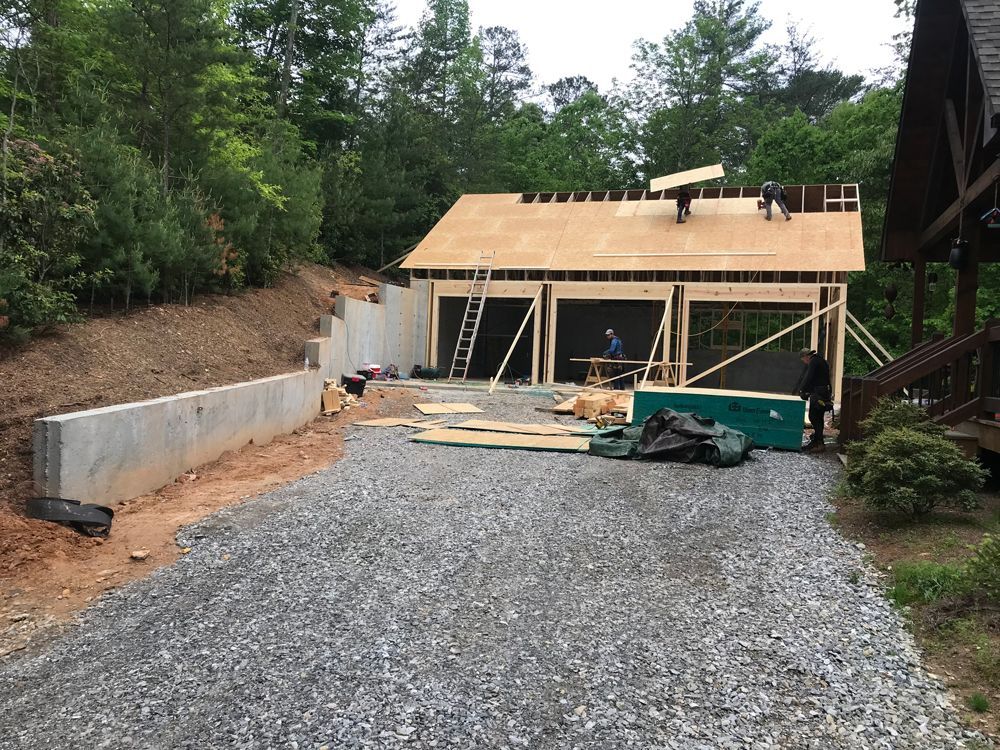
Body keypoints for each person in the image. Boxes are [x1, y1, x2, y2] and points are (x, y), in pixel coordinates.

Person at [797, 348, 833, 451]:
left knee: (814, 416)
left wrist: (802, 390)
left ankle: (819, 443)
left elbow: (809, 377)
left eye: (803, 360)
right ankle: (817, 441)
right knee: (818, 417)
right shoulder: (820, 360)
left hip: (818, 393)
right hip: (824, 392)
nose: (805, 363)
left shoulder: (813, 362)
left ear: (806, 356)